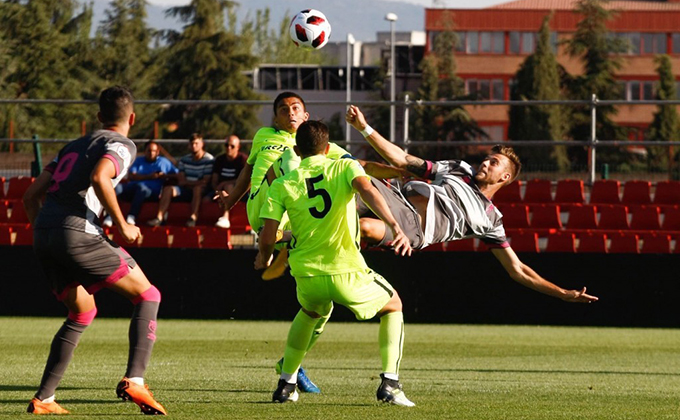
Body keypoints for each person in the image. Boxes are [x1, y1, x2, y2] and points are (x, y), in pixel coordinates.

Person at [345, 105, 599, 304]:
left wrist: (562, 293)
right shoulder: (459, 169)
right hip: (395, 197)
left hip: (413, 230)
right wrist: (364, 128)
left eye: (494, 162)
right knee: (350, 177)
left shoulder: (491, 219)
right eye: (487, 158)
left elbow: (518, 270)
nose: (486, 163)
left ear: (505, 177)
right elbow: (402, 159)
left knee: (365, 227)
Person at [22, 86, 166, 415]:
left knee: (82, 312)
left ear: (99, 117)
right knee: (148, 295)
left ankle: (44, 398)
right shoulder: (121, 144)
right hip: (78, 232)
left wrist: (47, 234)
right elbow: (101, 176)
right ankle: (136, 380)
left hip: (43, 235)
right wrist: (123, 225)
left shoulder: (72, 146)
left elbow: (30, 196)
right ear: (132, 118)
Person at [255, 120, 415, 406]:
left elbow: (268, 235)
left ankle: (285, 384)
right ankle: (390, 383)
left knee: (309, 312)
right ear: (328, 148)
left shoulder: (282, 183)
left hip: (306, 275)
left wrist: (264, 258)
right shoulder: (343, 166)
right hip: (347, 271)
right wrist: (393, 224)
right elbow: (368, 190)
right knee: (394, 305)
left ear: (297, 149)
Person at [103, 140, 178, 227]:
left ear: (158, 152)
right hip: (133, 188)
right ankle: (109, 217)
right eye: (149, 150)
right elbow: (131, 176)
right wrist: (149, 176)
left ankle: (132, 216)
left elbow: (176, 175)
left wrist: (165, 176)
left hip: (151, 192)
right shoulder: (138, 161)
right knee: (117, 188)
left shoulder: (164, 162)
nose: (151, 153)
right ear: (145, 151)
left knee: (141, 188)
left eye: (154, 151)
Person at [147, 133, 214, 227]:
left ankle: (193, 217)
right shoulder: (184, 160)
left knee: (197, 189)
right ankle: (159, 218)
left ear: (202, 144)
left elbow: (205, 182)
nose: (194, 146)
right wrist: (189, 183)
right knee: (168, 189)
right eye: (192, 144)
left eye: (196, 143)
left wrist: (188, 183)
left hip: (201, 191)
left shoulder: (209, 160)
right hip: (185, 189)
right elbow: (181, 181)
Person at [211, 135, 247, 229]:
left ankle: (225, 216)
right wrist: (217, 190)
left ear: (238, 147)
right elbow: (214, 179)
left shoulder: (243, 160)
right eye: (226, 145)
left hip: (239, 192)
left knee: (229, 186)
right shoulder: (220, 159)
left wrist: (224, 184)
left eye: (232, 146)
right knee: (205, 200)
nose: (228, 148)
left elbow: (245, 180)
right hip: (220, 190)